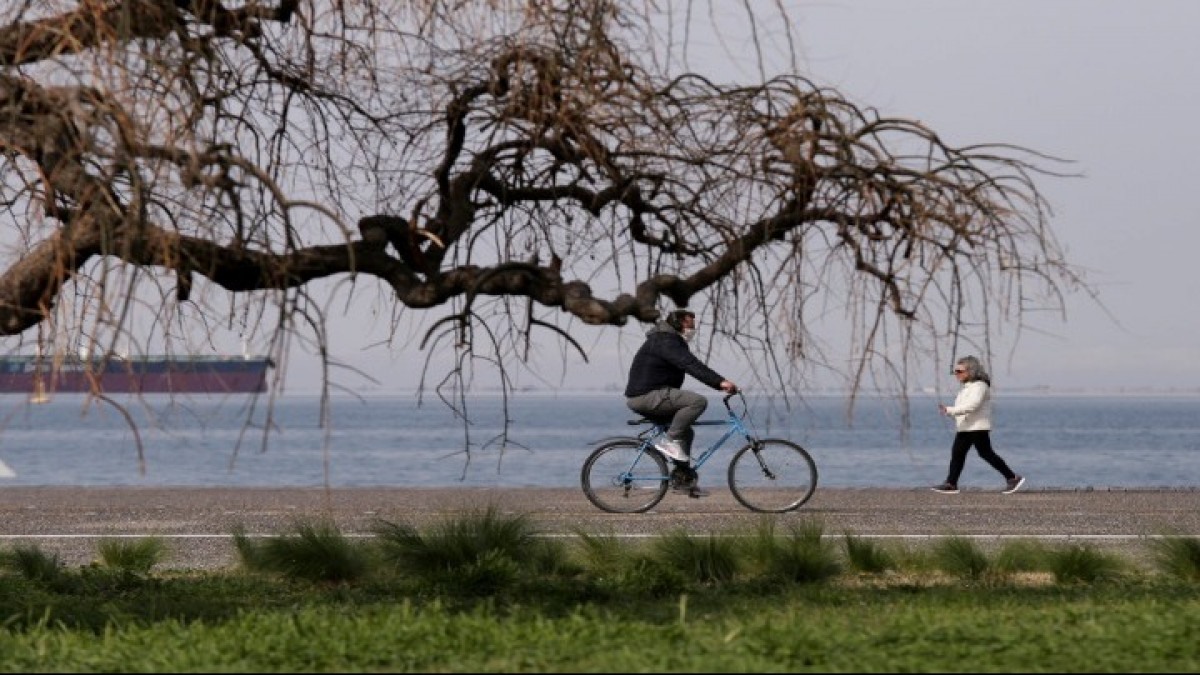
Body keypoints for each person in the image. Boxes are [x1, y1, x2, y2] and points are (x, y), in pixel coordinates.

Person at [624, 309, 738, 495]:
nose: (694, 329)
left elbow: (689, 364)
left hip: (653, 395)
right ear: (681, 323)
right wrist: (720, 382)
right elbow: (691, 365)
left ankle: (683, 481)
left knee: (686, 432)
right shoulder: (665, 341)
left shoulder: (669, 340)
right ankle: (670, 441)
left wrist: (718, 383)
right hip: (647, 396)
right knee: (697, 402)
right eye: (692, 325)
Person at [932, 355, 1025, 495]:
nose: (956, 374)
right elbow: (963, 408)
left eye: (960, 371)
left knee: (985, 453)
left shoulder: (980, 386)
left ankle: (1013, 478)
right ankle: (951, 483)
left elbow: (973, 405)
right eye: (955, 371)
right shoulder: (966, 388)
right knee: (958, 453)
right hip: (966, 426)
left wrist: (950, 410)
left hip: (977, 427)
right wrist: (950, 412)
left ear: (971, 371)